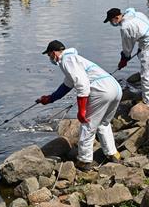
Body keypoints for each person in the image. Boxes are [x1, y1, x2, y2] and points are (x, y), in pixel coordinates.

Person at [37, 40, 122, 171]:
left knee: (88, 125)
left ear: (53, 53)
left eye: (49, 55)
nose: (50, 59)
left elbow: (82, 84)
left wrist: (81, 110)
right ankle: (112, 154)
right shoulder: (74, 59)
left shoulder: (66, 60)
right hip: (115, 89)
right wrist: (49, 99)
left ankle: (84, 160)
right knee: (104, 123)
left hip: (101, 91)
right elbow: (67, 85)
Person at [104, 7, 149, 110]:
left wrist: (124, 59)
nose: (111, 23)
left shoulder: (125, 27)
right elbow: (142, 31)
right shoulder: (137, 14)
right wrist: (140, 47)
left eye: (111, 21)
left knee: (148, 77)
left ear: (117, 17)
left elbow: (127, 49)